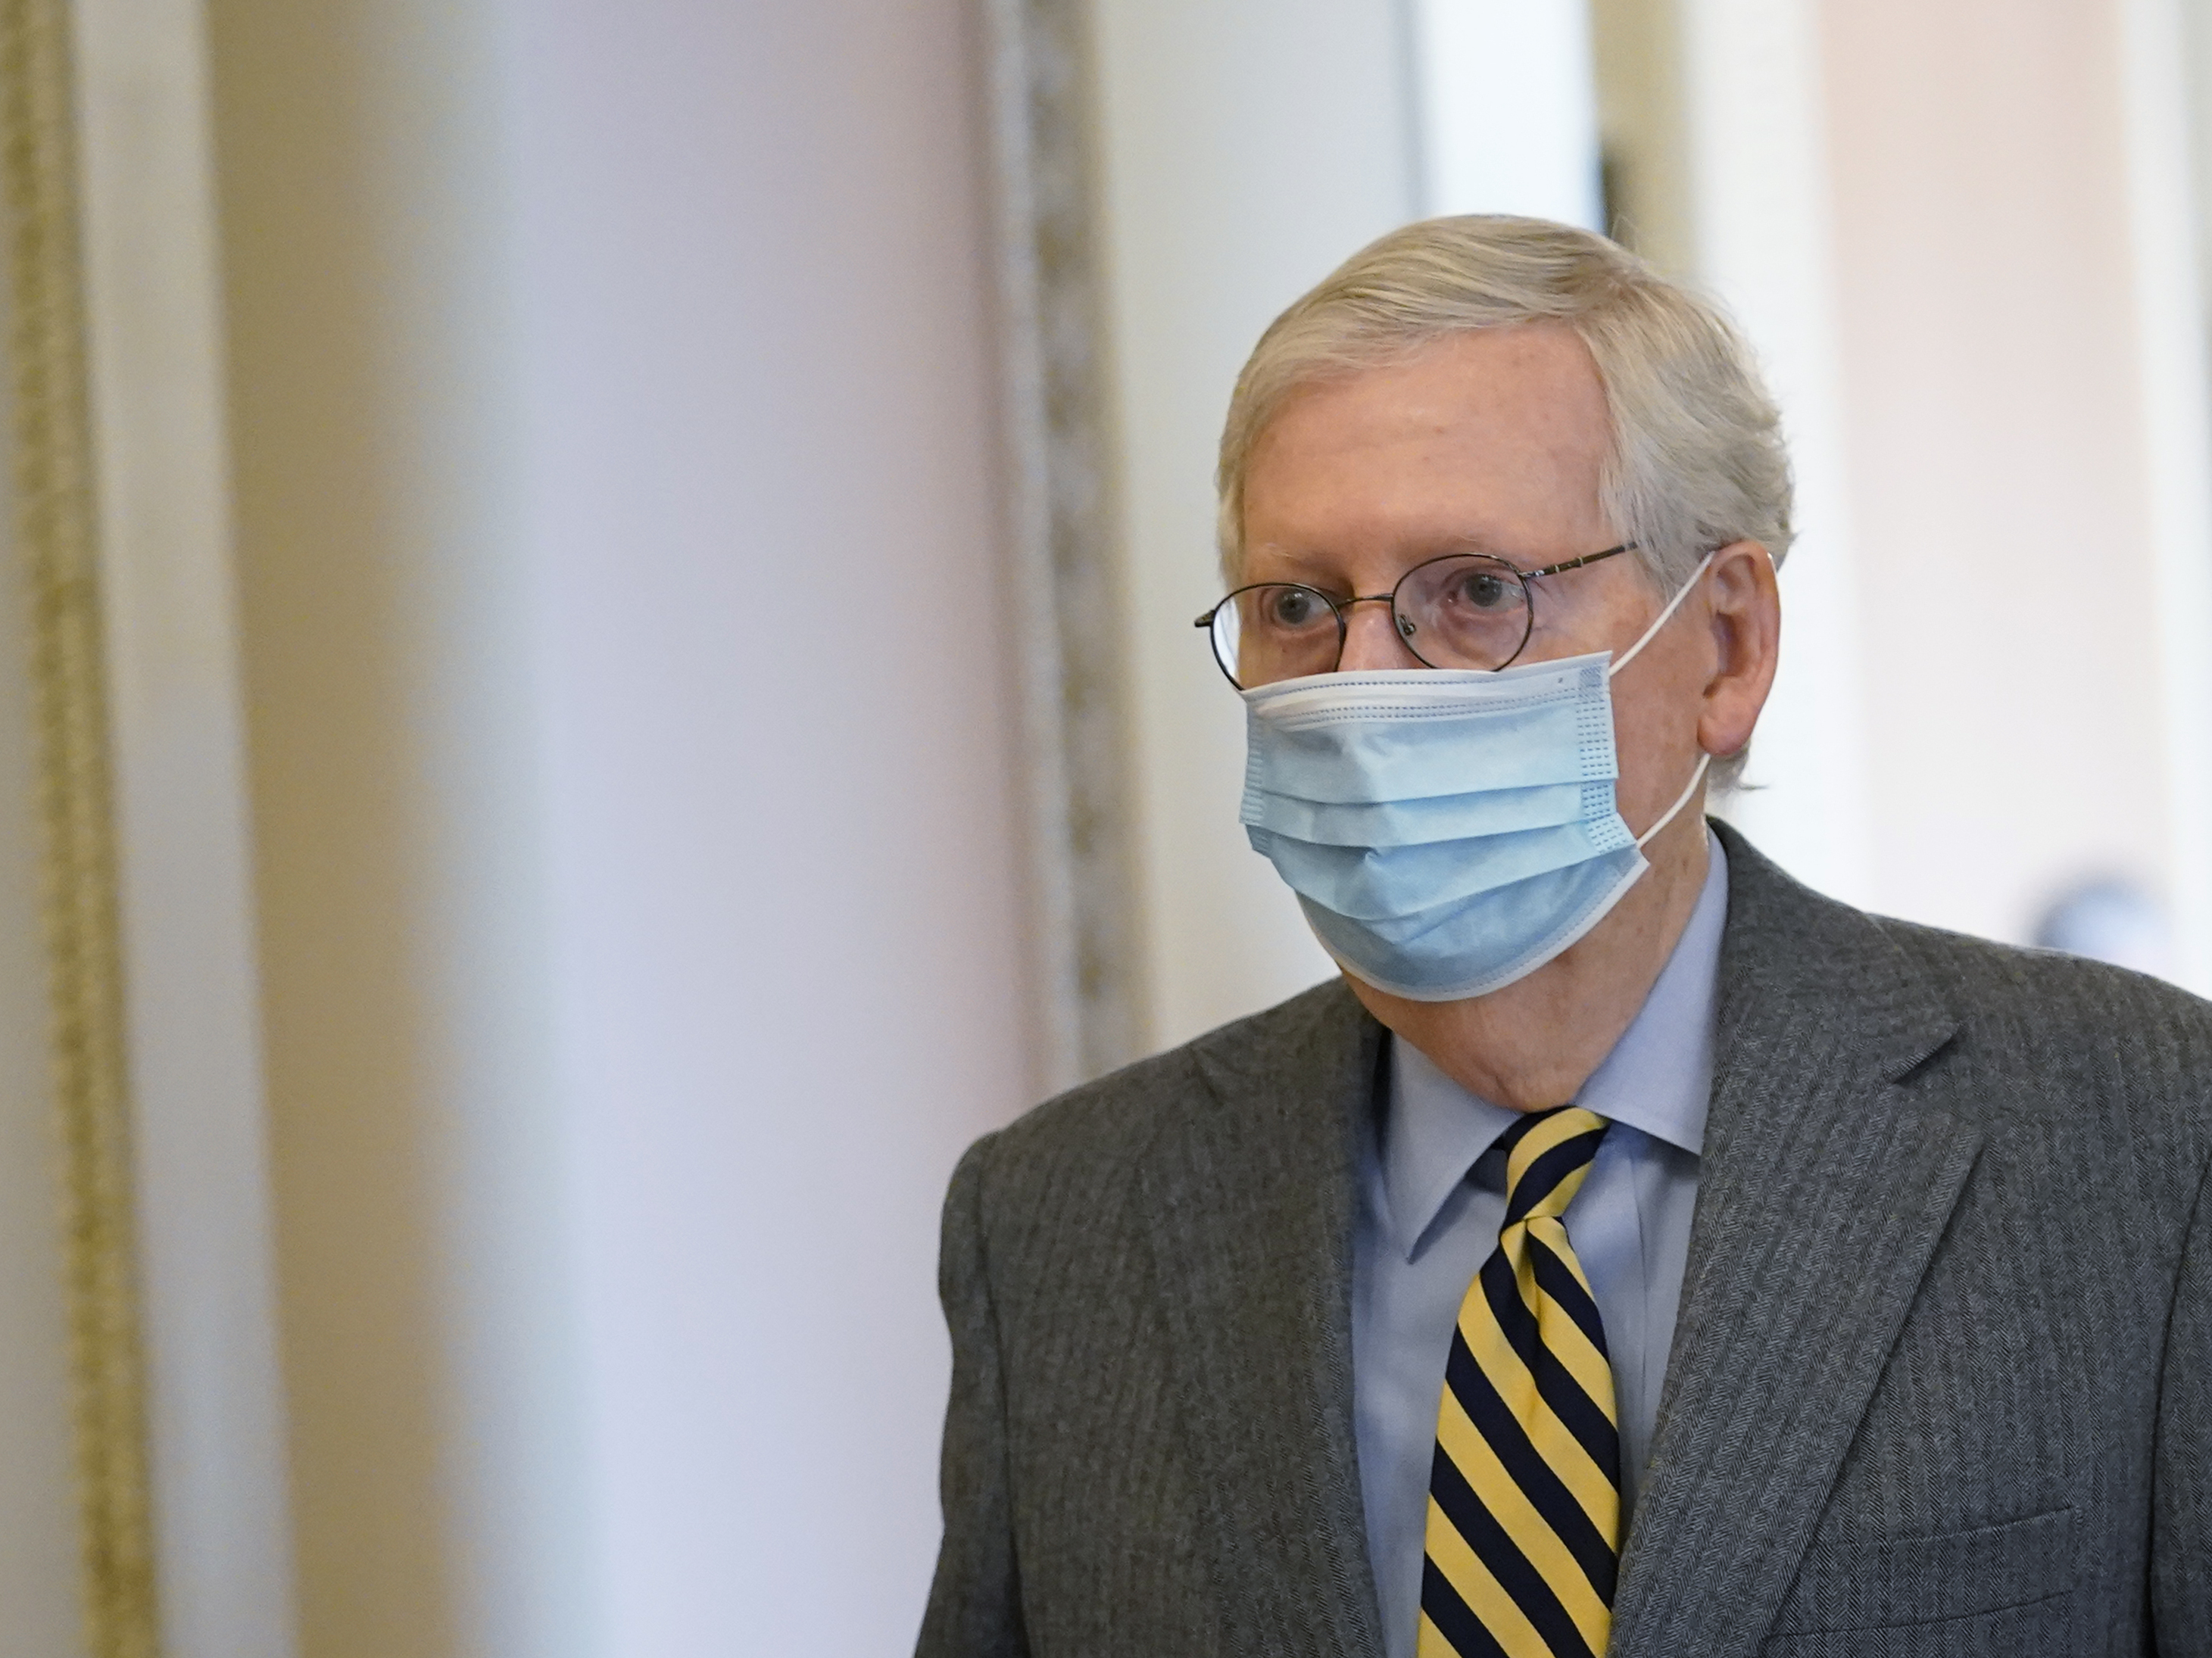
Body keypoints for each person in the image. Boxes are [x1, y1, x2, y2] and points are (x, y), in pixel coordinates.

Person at [915, 216, 2212, 1658]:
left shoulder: (2141, 1136)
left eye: (1474, 592)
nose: (1360, 688)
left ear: (1723, 644)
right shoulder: (1053, 1227)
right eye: (1296, 607)